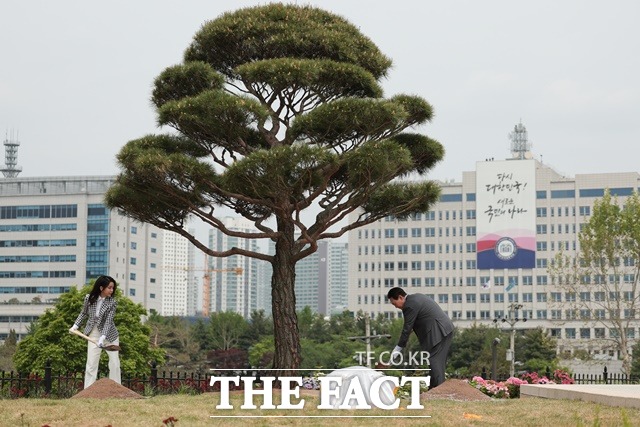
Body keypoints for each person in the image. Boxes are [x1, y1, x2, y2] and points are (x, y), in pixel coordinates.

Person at [387, 287, 454, 389]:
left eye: (394, 303)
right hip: (442, 330)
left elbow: (407, 328)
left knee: (435, 361)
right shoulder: (415, 298)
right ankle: (434, 389)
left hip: (439, 331)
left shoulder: (409, 305)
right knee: (436, 362)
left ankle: (439, 391)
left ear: (400, 297)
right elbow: (412, 326)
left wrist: (398, 348)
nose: (395, 307)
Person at [70, 275, 121, 388]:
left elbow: (108, 321)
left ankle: (116, 388)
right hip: (93, 333)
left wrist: (102, 338)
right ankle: (88, 390)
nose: (112, 290)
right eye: (110, 288)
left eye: (113, 288)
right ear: (101, 288)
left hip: (110, 335)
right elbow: (83, 313)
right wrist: (75, 325)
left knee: (114, 364)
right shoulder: (89, 298)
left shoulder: (112, 302)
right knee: (91, 364)